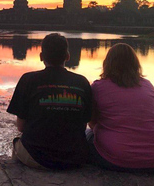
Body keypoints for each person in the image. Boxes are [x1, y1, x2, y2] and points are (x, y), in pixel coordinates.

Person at [7, 33, 92, 170]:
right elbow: (82, 126)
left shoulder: (28, 80)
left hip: (37, 158)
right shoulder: (81, 82)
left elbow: (21, 127)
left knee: (18, 142)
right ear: (67, 56)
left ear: (41, 57)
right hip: (75, 158)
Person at [88, 43, 154, 173]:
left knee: (88, 135)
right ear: (135, 64)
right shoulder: (148, 85)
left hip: (117, 159)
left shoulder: (99, 87)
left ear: (107, 63)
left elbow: (91, 121)